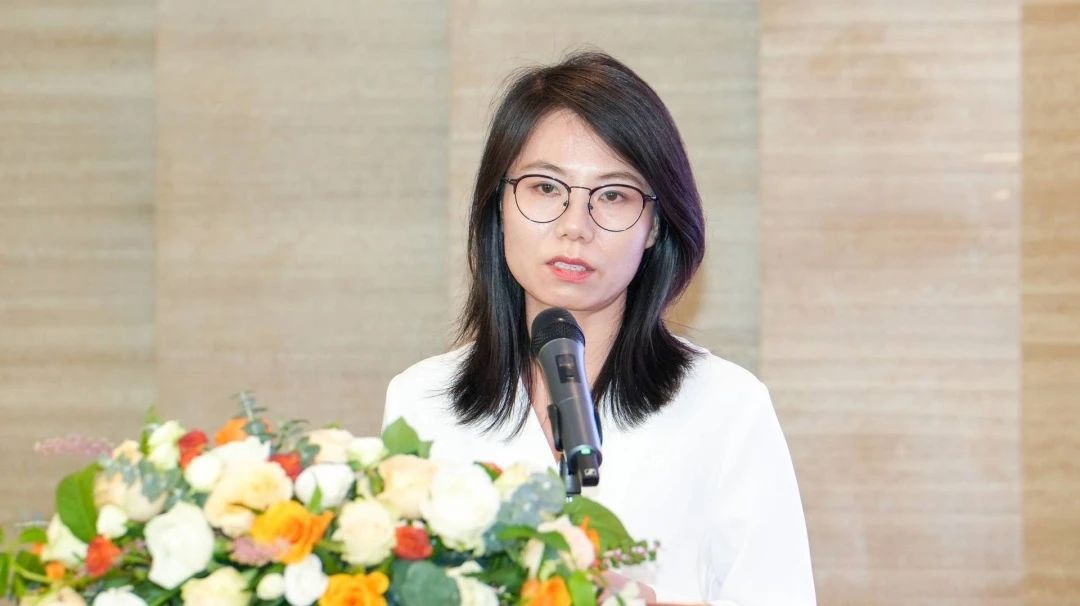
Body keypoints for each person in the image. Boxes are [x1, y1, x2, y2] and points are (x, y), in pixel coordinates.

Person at [382, 50, 816, 605]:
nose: (575, 226)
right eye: (545, 187)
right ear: (499, 204)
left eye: (612, 195)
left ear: (654, 226)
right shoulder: (423, 400)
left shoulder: (725, 406)